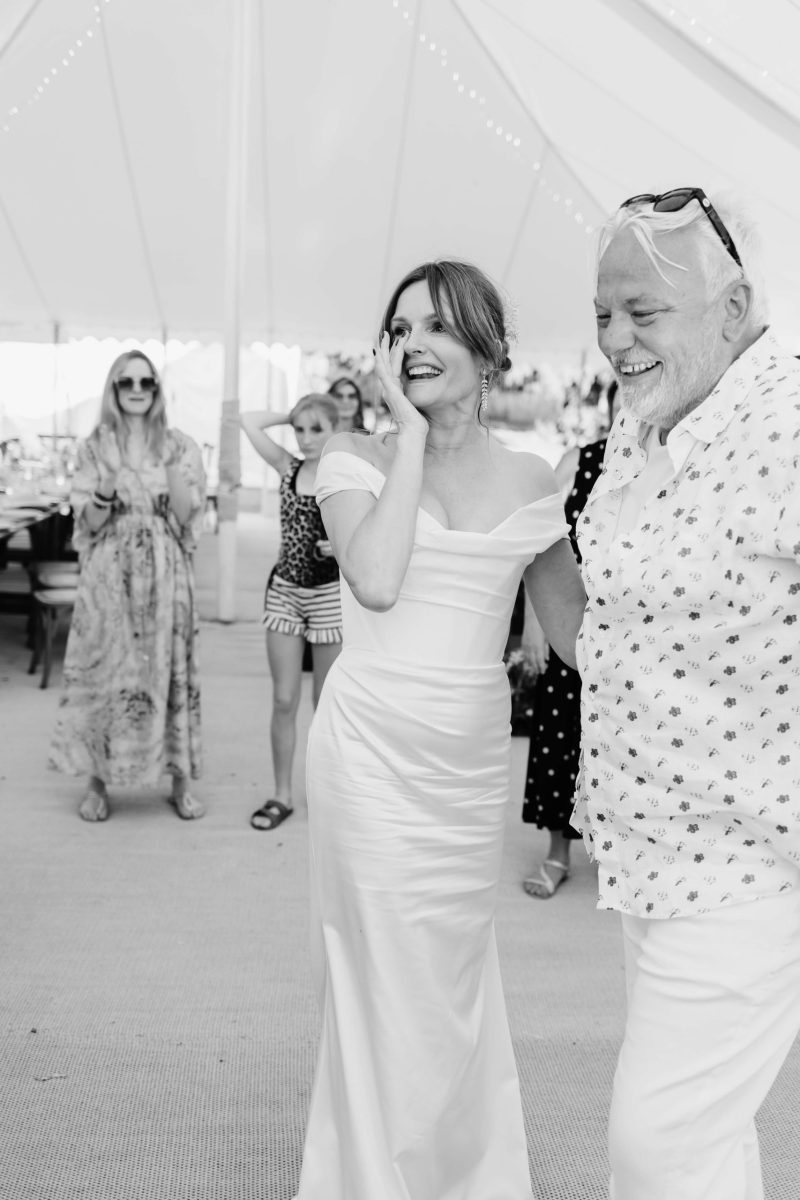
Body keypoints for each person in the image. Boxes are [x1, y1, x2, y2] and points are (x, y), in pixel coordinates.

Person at [294, 260, 586, 1200]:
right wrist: (409, 439)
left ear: (488, 350)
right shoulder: (351, 459)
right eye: (402, 328)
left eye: (440, 327)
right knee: (378, 976)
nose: (416, 343)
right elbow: (375, 579)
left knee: (450, 979)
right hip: (370, 749)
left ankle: (465, 1178)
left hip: (463, 764)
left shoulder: (533, 479)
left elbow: (582, 636)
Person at [574, 188, 800, 1199]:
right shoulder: (650, 417)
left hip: (747, 864)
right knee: (703, 1142)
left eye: (641, 312)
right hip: (646, 857)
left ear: (732, 302)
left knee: (655, 1145)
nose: (614, 340)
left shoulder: (787, 426)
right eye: (601, 315)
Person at [49, 351, 206, 821]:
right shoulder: (95, 446)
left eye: (146, 382)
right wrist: (108, 482)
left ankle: (180, 780)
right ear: (112, 389)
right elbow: (89, 521)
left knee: (172, 669)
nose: (137, 390)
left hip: (165, 568)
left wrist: (175, 476)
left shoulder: (180, 445)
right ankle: (97, 783)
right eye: (126, 382)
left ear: (157, 390)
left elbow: (186, 517)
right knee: (106, 672)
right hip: (109, 574)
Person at [520, 382, 616, 898]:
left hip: (639, 640)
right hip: (573, 628)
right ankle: (559, 854)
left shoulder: (680, 466)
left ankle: (624, 854)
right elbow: (542, 544)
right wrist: (537, 625)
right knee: (561, 741)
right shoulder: (580, 460)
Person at [240, 395, 342, 831]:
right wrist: (294, 412)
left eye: (316, 428)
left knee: (327, 703)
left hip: (328, 595)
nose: (304, 438)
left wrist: (339, 546)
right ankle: (281, 794)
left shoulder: (347, 473)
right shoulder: (289, 467)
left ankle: (328, 793)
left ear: (335, 427)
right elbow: (248, 421)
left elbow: (375, 527)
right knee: (284, 699)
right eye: (299, 430)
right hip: (285, 591)